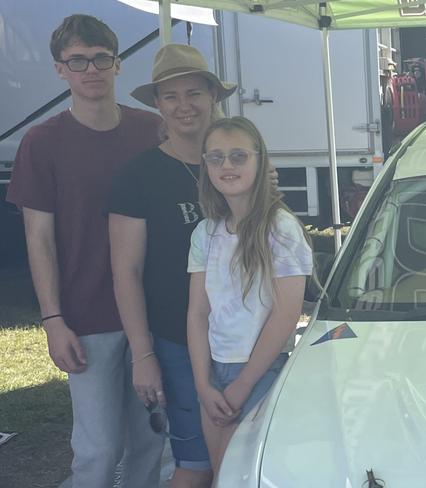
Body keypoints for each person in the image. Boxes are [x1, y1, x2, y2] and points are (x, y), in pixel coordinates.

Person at [6, 14, 163, 487]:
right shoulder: (42, 142)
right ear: (60, 70)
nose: (90, 69)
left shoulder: (152, 132)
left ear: (117, 64)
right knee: (98, 451)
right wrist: (53, 321)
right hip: (86, 319)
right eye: (78, 61)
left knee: (151, 443)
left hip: (155, 315)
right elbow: (39, 239)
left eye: (100, 59)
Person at [108, 43, 237, 487]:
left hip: (244, 339)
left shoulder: (238, 165)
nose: (184, 106)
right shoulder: (137, 176)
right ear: (158, 105)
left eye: (194, 93)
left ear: (212, 97)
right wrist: (143, 355)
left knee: (244, 457)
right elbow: (125, 271)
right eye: (171, 96)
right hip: (177, 342)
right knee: (196, 464)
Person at [186, 116, 313, 477]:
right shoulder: (205, 233)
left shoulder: (281, 228)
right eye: (216, 157)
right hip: (213, 373)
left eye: (239, 156)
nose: (227, 165)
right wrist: (203, 384)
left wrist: (242, 385)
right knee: (220, 474)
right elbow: (197, 313)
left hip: (262, 371)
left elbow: (286, 315)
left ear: (261, 161)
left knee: (240, 475)